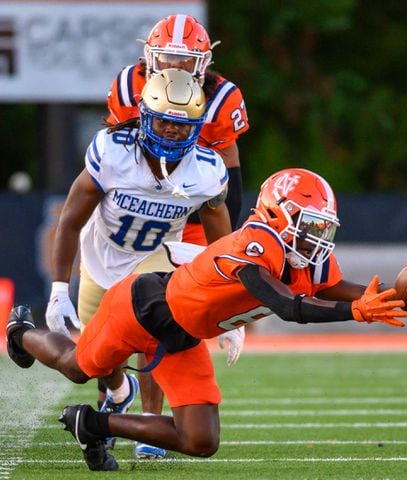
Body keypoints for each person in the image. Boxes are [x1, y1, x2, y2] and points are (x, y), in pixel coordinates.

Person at [7, 167, 407, 472]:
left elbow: (346, 291)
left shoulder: (305, 258)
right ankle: (22, 333)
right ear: (278, 214)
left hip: (183, 335)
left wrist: (404, 299)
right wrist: (354, 312)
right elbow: (288, 307)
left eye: (323, 227)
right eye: (309, 224)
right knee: (78, 366)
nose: (317, 236)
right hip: (141, 309)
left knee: (200, 440)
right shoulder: (254, 244)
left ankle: (94, 425)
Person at [43, 67, 240, 452]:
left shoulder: (206, 171)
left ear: (198, 126)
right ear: (145, 116)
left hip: (157, 257)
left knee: (156, 330)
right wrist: (58, 288)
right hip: (102, 258)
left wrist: (229, 306)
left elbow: (222, 241)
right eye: (164, 121)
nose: (172, 131)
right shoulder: (113, 152)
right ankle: (119, 390)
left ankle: (150, 420)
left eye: (182, 125)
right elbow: (69, 221)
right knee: (95, 359)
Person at [105, 13, 250, 459]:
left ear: (204, 64)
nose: (176, 67)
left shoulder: (221, 98)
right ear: (150, 57)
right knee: (113, 312)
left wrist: (224, 259)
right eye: (168, 57)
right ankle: (114, 394)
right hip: (139, 205)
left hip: (192, 206)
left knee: (166, 315)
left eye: (186, 60)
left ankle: (150, 421)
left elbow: (230, 180)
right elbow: (113, 153)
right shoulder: (130, 87)